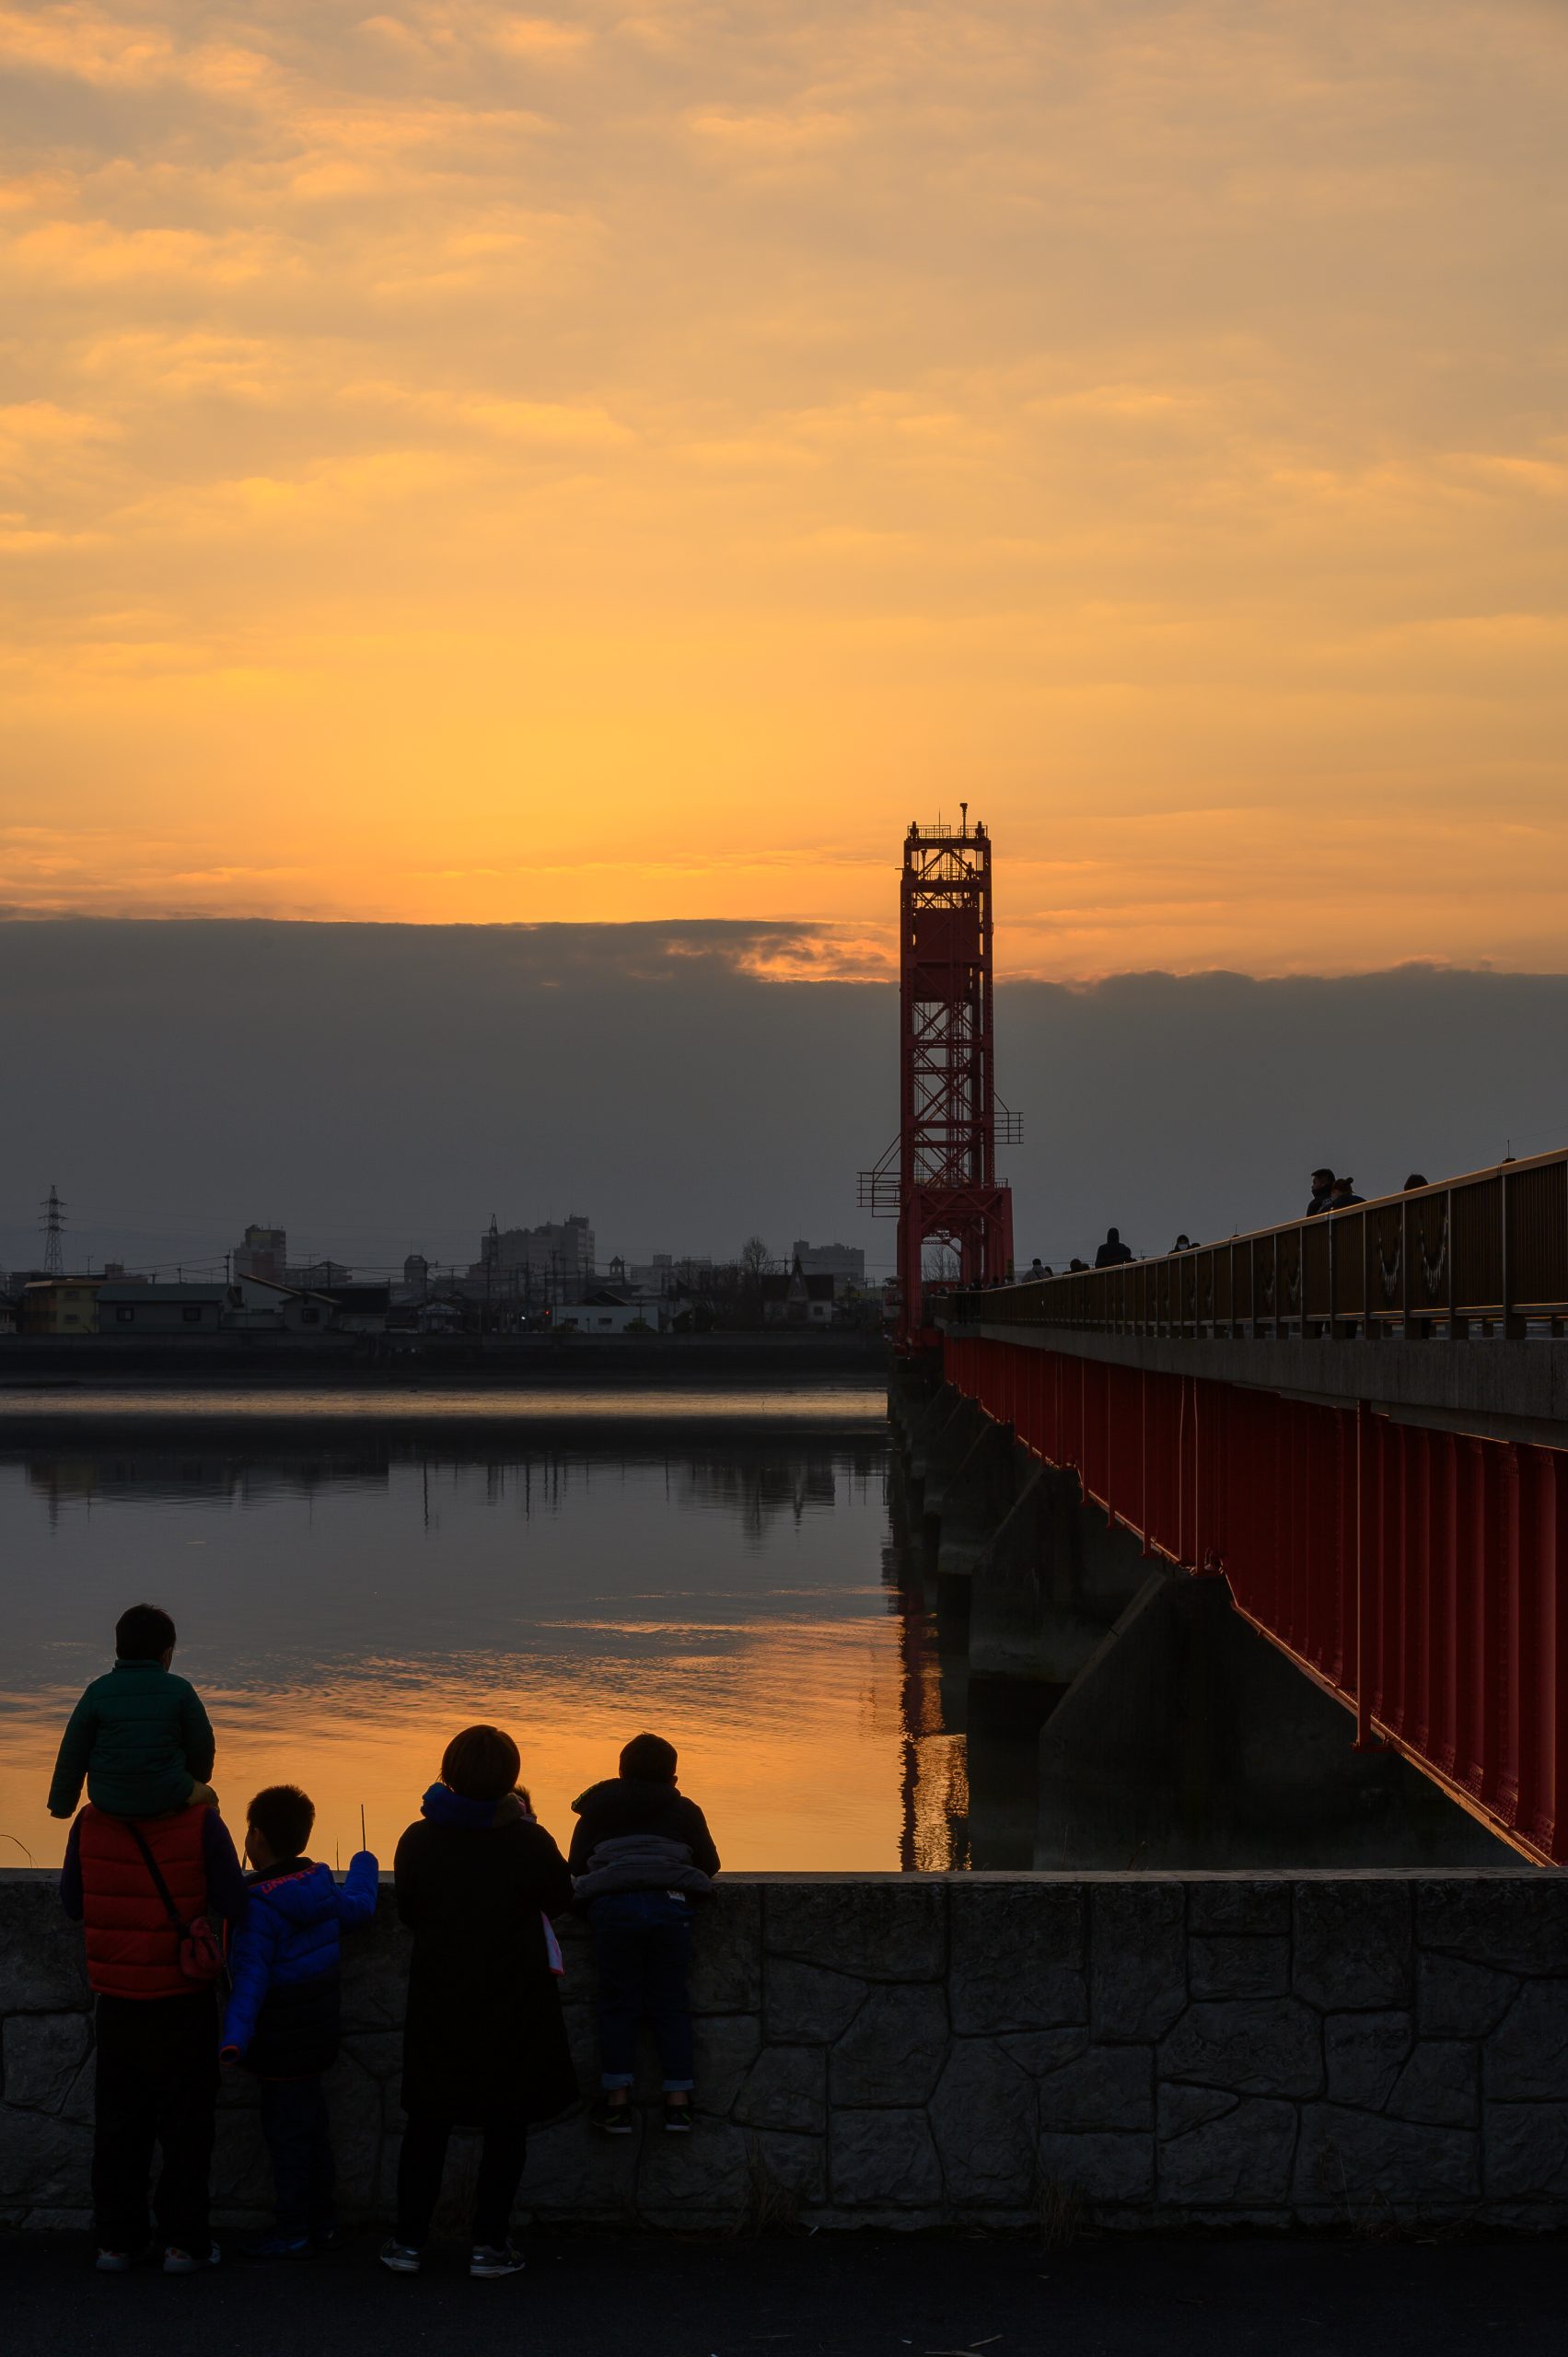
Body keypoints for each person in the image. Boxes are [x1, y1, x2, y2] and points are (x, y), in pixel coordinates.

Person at [383, 1725, 575, 2282]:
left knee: (428, 2122)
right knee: (507, 2123)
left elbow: (409, 1911)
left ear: (449, 1771)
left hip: (440, 1999)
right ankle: (489, 2245)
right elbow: (561, 1899)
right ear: (510, 1778)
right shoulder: (529, 1842)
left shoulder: (419, 1839)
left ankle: (407, 2242)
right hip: (513, 1998)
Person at [60, 1776, 247, 2273]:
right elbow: (234, 1902)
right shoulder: (203, 1821)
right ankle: (183, 2244)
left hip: (118, 1999)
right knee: (187, 2127)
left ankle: (115, 2242)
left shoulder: (89, 1821)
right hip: (183, 1998)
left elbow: (73, 1903)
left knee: (119, 2125)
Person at [219, 1784, 379, 2260]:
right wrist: (365, 1863)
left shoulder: (258, 1907)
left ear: (257, 1838)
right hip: (318, 2039)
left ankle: (292, 2229)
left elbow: (250, 1980)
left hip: (278, 2048)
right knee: (314, 2134)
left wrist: (234, 2039)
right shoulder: (321, 1889)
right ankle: (325, 2223)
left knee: (287, 2139)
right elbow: (361, 1907)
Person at [569, 1732, 720, 2136]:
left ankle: (617, 2104)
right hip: (670, 1907)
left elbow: (576, 1865)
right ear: (673, 1777)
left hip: (613, 1910)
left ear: (621, 1774)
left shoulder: (597, 1809)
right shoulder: (684, 1810)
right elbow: (709, 1865)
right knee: (670, 2004)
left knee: (618, 2003)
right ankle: (678, 2104)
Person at [48, 1603, 218, 1824]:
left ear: (118, 1650)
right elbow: (202, 1744)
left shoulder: (97, 1691)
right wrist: (196, 1779)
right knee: (209, 1798)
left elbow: (72, 1752)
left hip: (108, 1801)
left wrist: (62, 1806)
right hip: (168, 1797)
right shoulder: (181, 1690)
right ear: (167, 1654)